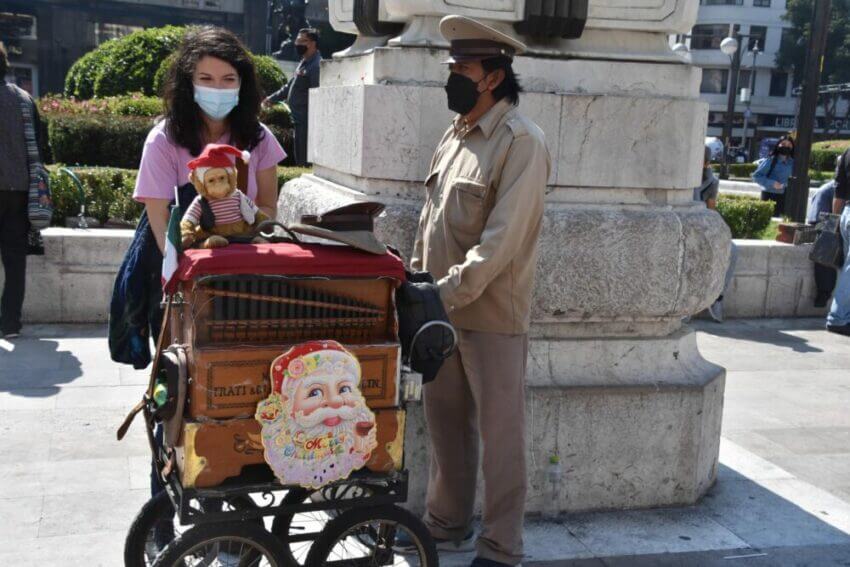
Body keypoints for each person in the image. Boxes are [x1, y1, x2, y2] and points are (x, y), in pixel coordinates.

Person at [408, 16, 550, 567]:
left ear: (493, 77)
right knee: (445, 425)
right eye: (452, 69)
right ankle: (446, 523)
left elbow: (501, 242)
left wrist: (441, 293)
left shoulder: (521, 143)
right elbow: (431, 221)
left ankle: (501, 546)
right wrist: (419, 288)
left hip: (490, 313)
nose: (453, 79)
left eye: (462, 70)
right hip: (439, 308)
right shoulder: (456, 134)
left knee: (501, 437)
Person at [127, 24, 286, 500]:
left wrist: (242, 244)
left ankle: (232, 501)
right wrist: (187, 275)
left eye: (228, 79)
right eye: (207, 78)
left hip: (240, 280)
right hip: (179, 276)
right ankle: (163, 500)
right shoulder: (164, 140)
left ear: (244, 86)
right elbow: (162, 226)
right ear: (187, 82)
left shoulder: (258, 140)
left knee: (235, 390)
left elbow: (270, 211)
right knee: (174, 395)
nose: (218, 89)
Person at [0, 42, 43, 339]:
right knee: (15, 260)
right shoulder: (24, 99)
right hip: (18, 190)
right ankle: (11, 324)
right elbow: (42, 147)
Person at [265, 27, 321, 166]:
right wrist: (270, 99)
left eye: (303, 41)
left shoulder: (316, 66)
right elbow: (289, 87)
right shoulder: (304, 62)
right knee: (299, 155)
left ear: (313, 43)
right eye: (297, 40)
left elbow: (317, 96)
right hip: (298, 119)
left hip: (307, 121)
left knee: (304, 157)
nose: (298, 44)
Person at [827, 147, 850, 336]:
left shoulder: (847, 153)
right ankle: (838, 318)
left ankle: (842, 316)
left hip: (846, 214)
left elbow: (839, 189)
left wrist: (835, 221)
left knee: (847, 268)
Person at [808, 179, 837, 307]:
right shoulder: (826, 191)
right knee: (825, 242)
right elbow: (819, 223)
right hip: (831, 228)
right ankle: (824, 293)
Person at [752, 135, 795, 217]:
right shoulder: (770, 160)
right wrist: (772, 183)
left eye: (789, 144)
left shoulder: (793, 163)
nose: (786, 146)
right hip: (769, 195)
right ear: (778, 145)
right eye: (783, 144)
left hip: (786, 197)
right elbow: (756, 176)